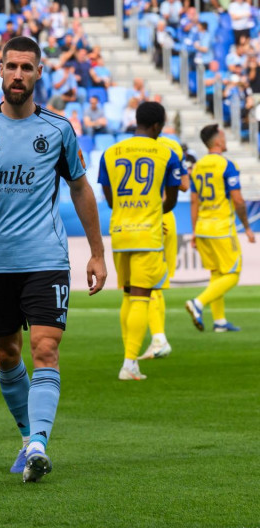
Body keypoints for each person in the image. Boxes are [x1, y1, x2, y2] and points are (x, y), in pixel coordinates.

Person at [0, 36, 107, 483]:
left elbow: (79, 188)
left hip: (46, 258)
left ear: (38, 72)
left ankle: (39, 443)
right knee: (7, 354)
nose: (18, 75)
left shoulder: (57, 129)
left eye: (26, 68)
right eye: (11, 66)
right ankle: (26, 438)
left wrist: (96, 252)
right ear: (0, 70)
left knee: (45, 349)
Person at [98, 102, 182, 381]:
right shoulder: (166, 152)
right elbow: (172, 197)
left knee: (127, 294)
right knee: (142, 297)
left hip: (120, 231)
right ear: (158, 126)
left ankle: (129, 358)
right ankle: (129, 363)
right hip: (148, 233)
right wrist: (158, 209)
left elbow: (109, 197)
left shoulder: (110, 152)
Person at [186, 124, 255, 333]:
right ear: (217, 141)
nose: (225, 140)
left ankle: (220, 322)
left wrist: (195, 231)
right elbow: (238, 200)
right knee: (233, 274)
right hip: (222, 227)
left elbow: (193, 202)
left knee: (216, 273)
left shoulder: (197, 167)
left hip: (204, 227)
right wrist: (247, 227)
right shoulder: (227, 165)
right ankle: (198, 302)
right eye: (223, 137)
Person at [139, 135, 190, 361]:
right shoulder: (173, 147)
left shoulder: (141, 149)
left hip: (152, 217)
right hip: (169, 217)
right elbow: (185, 185)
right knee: (156, 284)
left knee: (147, 283)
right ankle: (158, 339)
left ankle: (159, 339)